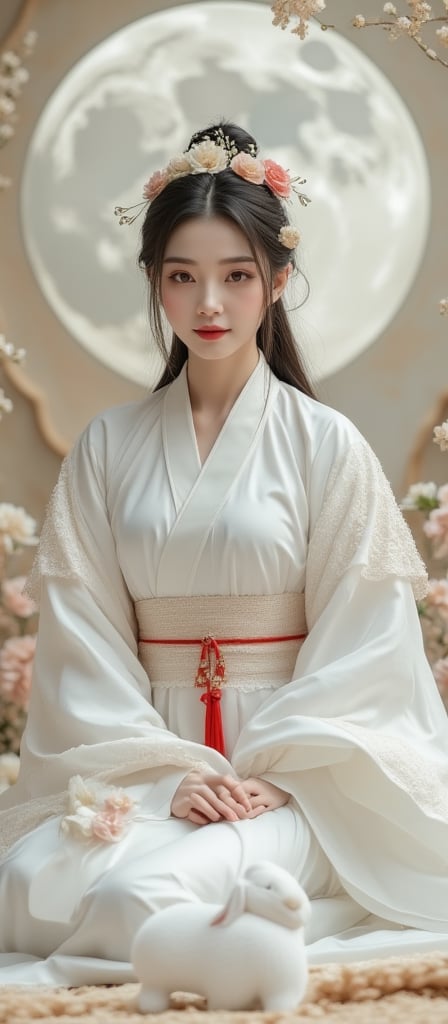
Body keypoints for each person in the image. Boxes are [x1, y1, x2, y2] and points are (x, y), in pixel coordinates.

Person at [1, 120, 448, 987]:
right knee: (27, 882)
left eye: (237, 276)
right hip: (149, 761)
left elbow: (365, 639)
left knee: (139, 898)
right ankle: (262, 929)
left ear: (277, 282)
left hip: (292, 771)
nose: (210, 303)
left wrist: (272, 777)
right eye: (183, 277)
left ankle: (285, 909)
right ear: (156, 286)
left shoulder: (326, 444)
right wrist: (169, 777)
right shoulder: (106, 446)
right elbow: (81, 641)